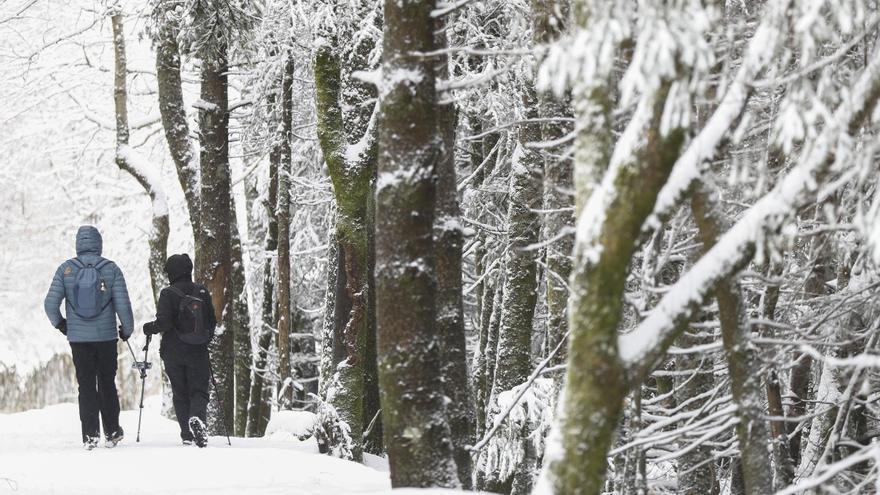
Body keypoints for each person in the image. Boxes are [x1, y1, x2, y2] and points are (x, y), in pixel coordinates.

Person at [43, 225, 134, 450]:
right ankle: (112, 432)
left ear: (78, 244)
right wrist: (127, 329)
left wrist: (62, 325)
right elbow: (123, 304)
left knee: (85, 386)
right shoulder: (111, 269)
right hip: (105, 338)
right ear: (98, 243)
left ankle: (90, 436)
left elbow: (50, 304)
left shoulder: (66, 269)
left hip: (79, 340)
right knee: (107, 383)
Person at [143, 253, 216, 447]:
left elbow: (164, 323)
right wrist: (204, 339)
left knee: (180, 392)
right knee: (199, 391)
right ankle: (197, 419)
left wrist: (148, 328)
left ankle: (186, 434)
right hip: (198, 351)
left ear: (172, 273)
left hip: (173, 352)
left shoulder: (168, 293)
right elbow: (212, 321)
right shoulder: (201, 291)